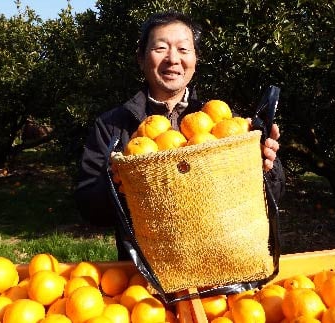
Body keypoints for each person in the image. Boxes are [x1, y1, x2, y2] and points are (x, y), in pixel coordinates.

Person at [74, 11, 285, 260]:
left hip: (219, 261)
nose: (173, 59)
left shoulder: (222, 122)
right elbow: (89, 206)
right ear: (141, 58)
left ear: (195, 59)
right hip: (146, 270)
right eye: (161, 48)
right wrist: (117, 183)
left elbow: (272, 192)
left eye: (183, 49)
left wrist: (265, 165)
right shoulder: (112, 126)